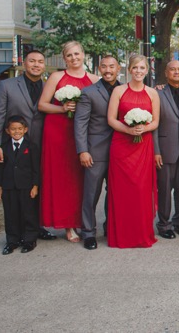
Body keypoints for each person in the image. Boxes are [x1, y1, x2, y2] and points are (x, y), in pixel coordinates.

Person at [0, 49, 56, 241]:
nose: (36, 65)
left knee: (38, 187)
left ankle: (37, 228)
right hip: (13, 147)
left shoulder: (48, 87)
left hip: (41, 145)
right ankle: (15, 232)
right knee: (14, 190)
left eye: (40, 62)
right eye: (32, 61)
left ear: (44, 65)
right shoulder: (7, 85)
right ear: (24, 64)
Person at [38, 41, 99, 242]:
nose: (74, 58)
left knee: (80, 179)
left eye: (76, 54)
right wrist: (62, 109)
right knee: (63, 179)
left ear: (83, 54)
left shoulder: (93, 79)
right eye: (69, 55)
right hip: (58, 132)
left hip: (82, 135)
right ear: (65, 58)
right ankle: (67, 224)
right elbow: (43, 105)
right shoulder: (57, 77)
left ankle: (81, 220)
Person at [107, 54, 160, 248]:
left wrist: (143, 129)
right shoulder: (119, 91)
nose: (138, 71)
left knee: (141, 190)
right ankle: (122, 235)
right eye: (135, 68)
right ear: (129, 70)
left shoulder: (152, 93)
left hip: (143, 146)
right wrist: (128, 129)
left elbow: (155, 121)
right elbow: (111, 119)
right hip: (122, 145)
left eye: (142, 68)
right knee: (122, 191)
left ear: (147, 71)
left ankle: (141, 233)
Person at [74, 55, 121, 250]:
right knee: (91, 193)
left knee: (116, 193)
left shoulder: (125, 90)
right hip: (96, 150)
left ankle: (111, 228)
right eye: (104, 66)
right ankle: (88, 232)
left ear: (118, 68)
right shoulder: (89, 92)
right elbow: (80, 124)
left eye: (112, 66)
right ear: (99, 69)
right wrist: (83, 150)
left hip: (121, 152)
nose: (108, 70)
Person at [153, 60, 179, 239]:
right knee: (165, 189)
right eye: (172, 70)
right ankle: (164, 224)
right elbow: (153, 124)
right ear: (166, 73)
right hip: (166, 148)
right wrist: (156, 150)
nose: (176, 72)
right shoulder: (157, 93)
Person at [0, 116, 40, 254]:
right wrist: (0, 187)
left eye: (20, 129)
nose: (16, 131)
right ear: (7, 131)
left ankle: (29, 240)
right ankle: (12, 241)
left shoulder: (31, 146)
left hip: (26, 186)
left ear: (25, 130)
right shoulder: (3, 147)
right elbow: (0, 168)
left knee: (28, 213)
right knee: (11, 214)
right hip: (9, 186)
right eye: (13, 129)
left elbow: (36, 168)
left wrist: (35, 186)